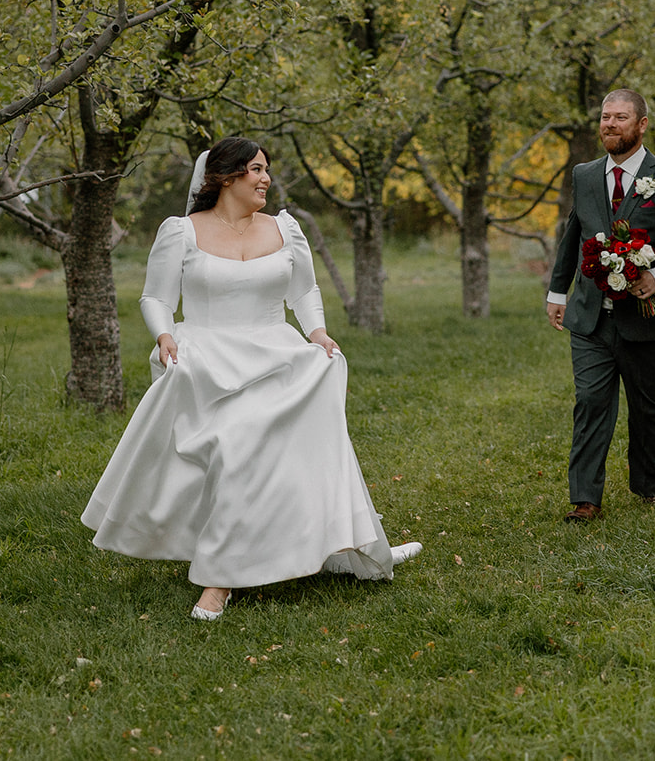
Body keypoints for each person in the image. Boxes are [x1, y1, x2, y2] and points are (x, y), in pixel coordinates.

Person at [81, 137, 421, 620]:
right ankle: (234, 565)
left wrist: (318, 333)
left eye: (266, 170)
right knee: (234, 447)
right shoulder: (182, 232)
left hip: (276, 355)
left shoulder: (285, 229)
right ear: (225, 177)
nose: (266, 179)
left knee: (250, 447)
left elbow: (304, 291)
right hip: (208, 358)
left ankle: (219, 581)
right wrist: (163, 336)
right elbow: (155, 297)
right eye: (257, 170)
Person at [546, 90, 655, 522]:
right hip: (590, 316)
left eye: (620, 118)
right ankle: (585, 499)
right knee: (591, 401)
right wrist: (557, 292)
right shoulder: (584, 174)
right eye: (605, 117)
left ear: (642, 124)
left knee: (646, 406)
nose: (610, 125)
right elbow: (573, 236)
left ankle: (647, 486)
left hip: (645, 318)